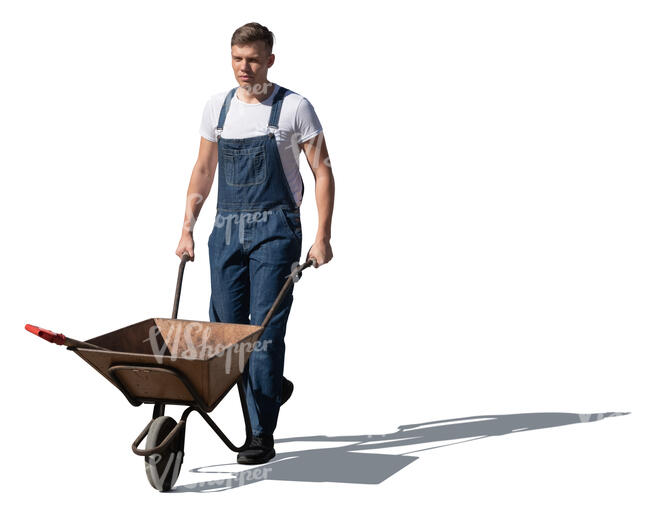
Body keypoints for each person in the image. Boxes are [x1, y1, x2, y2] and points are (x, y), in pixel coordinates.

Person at [176, 22, 334, 465]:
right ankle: (272, 387)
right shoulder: (217, 108)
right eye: (236, 59)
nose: (244, 68)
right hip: (224, 230)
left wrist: (322, 236)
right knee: (226, 333)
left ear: (269, 60)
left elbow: (322, 171)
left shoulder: (294, 108)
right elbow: (204, 169)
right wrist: (187, 226)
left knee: (262, 336)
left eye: (252, 59)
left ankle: (260, 436)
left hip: (276, 231)